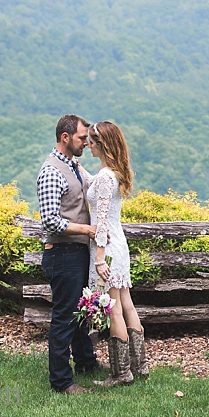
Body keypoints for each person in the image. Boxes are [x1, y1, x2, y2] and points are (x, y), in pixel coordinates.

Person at [37, 114, 102, 394]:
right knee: (64, 317)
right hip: (62, 254)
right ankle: (62, 381)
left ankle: (86, 362)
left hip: (73, 252)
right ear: (65, 138)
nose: (86, 143)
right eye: (81, 138)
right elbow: (50, 220)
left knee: (80, 312)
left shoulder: (72, 165)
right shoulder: (51, 171)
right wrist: (87, 230)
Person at [85, 120, 149, 386]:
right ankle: (140, 365)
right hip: (119, 244)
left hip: (107, 248)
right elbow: (100, 191)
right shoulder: (114, 173)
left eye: (92, 140)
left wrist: (99, 259)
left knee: (113, 310)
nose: (88, 144)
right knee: (127, 304)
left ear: (102, 145)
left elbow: (99, 222)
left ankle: (121, 373)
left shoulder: (104, 178)